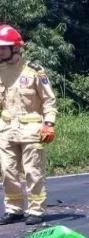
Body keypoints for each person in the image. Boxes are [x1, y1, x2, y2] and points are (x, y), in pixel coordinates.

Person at [0, 24, 57, 226]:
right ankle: (14, 209)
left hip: (32, 131)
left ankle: (36, 210)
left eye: (2, 48)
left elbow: (49, 101)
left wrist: (49, 124)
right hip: (6, 131)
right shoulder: (0, 72)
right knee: (7, 171)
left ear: (15, 48)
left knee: (33, 171)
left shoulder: (34, 71)